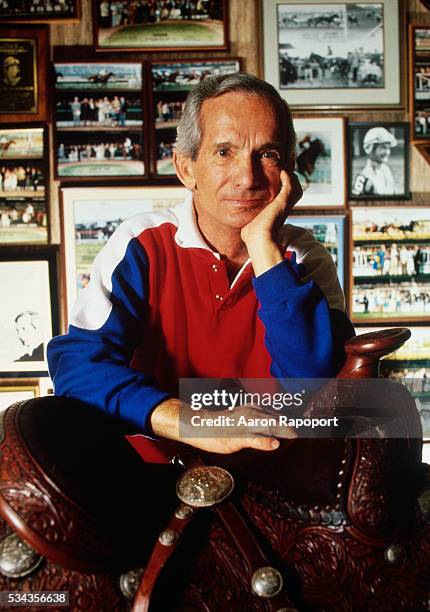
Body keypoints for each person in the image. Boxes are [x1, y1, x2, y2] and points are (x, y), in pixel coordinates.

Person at [47, 73, 354, 457]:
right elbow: (76, 369)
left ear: (289, 170)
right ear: (186, 167)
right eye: (224, 152)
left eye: (268, 154)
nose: (247, 177)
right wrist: (197, 422)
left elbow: (316, 391)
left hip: (275, 479)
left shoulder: (304, 257)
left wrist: (262, 245)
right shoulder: (140, 243)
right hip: (150, 477)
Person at [351, 127, 398, 196]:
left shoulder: (386, 169)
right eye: (383, 148)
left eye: (388, 148)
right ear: (371, 149)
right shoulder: (363, 178)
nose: (388, 152)